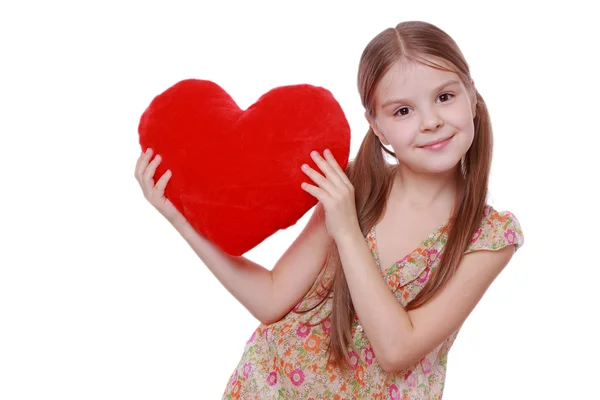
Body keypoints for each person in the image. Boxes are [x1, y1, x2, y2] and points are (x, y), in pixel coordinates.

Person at [134, 20, 524, 400]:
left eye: (444, 97)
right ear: (377, 126)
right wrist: (180, 219)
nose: (431, 121)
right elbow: (271, 299)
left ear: (472, 95)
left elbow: (395, 349)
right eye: (402, 111)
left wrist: (347, 229)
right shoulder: (353, 187)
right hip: (266, 387)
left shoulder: (490, 236)